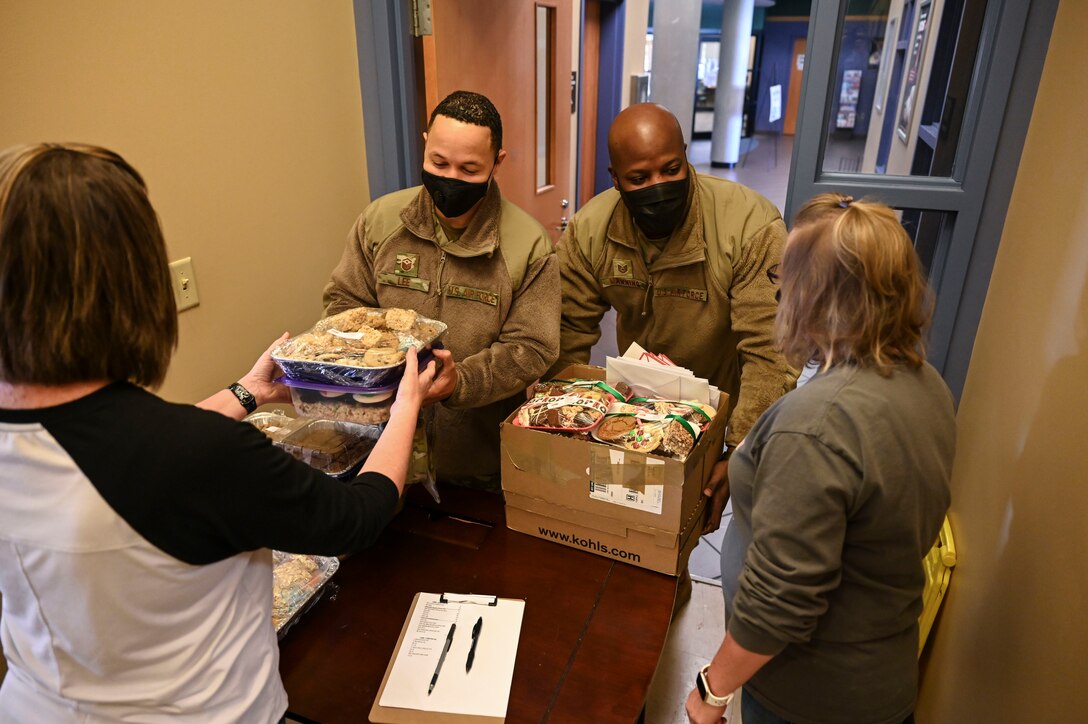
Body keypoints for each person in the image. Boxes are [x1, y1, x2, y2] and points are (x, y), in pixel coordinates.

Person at [0, 143, 436, 722]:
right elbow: (356, 517)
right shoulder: (197, 456)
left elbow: (115, 453)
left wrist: (248, 391)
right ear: (132, 285)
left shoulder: (133, 447)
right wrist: (405, 400)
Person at [685, 194, 955, 724]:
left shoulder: (818, 423)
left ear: (818, 296)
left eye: (784, 279)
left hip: (810, 696)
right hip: (878, 677)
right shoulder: (925, 382)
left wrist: (711, 691)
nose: (779, 293)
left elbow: (782, 597)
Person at [548, 103, 796, 534]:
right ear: (616, 178)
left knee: (679, 532)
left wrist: (740, 450)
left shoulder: (750, 226)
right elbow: (567, 330)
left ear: (686, 155)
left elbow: (771, 350)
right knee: (622, 520)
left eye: (671, 169)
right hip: (636, 402)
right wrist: (563, 420)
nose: (658, 186)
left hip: (715, 404)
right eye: (639, 179)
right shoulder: (592, 228)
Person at [323, 90, 559, 491]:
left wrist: (459, 383)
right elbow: (343, 303)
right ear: (425, 144)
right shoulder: (380, 222)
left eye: (469, 169)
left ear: (497, 163)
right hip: (378, 449)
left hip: (475, 462)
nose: (450, 178)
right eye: (439, 162)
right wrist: (378, 363)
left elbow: (532, 348)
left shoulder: (528, 245)